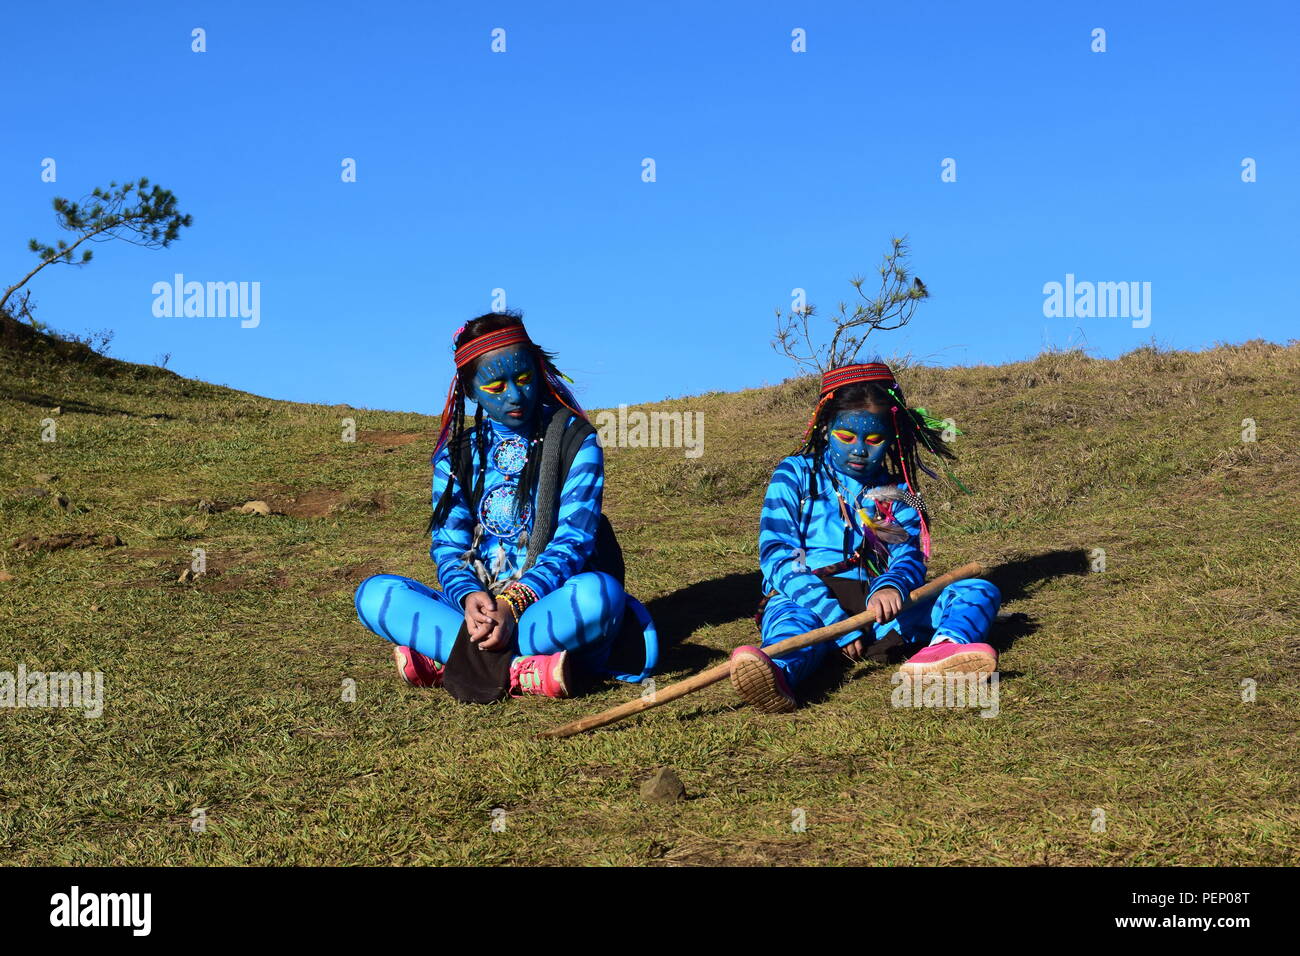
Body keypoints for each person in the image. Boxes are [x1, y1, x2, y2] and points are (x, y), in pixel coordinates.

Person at [354, 311, 658, 700]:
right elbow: (449, 547)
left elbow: (574, 540)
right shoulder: (457, 455)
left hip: (548, 601)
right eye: (496, 385)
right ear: (470, 391)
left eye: (524, 378)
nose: (515, 394)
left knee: (599, 597)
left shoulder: (575, 439)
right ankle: (522, 670)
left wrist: (513, 603)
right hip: (479, 610)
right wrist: (469, 597)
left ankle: (453, 656)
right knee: (374, 596)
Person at [732, 360, 1000, 713]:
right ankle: (778, 674)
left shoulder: (897, 489)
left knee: (979, 591)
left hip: (878, 609)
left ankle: (940, 654)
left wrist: (892, 587)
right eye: (847, 436)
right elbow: (778, 555)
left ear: (892, 438)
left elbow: (909, 551)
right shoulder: (794, 473)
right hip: (808, 599)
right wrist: (835, 619)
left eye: (874, 439)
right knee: (791, 626)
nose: (859, 450)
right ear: (826, 427)